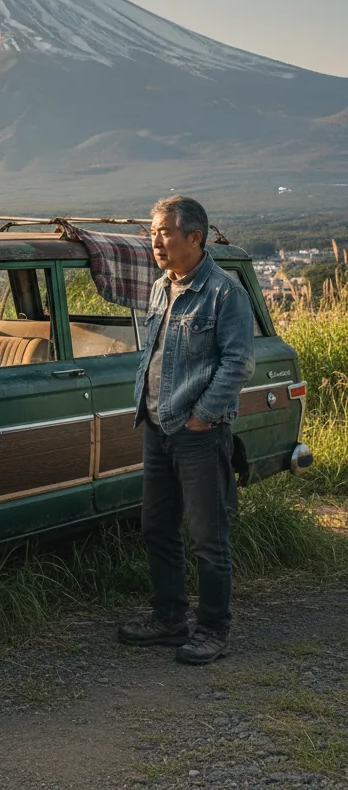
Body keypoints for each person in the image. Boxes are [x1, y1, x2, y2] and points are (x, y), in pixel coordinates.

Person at [119, 195, 255, 664]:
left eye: (164, 232)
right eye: (153, 231)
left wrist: (202, 416)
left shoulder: (224, 293)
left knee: (208, 537)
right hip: (157, 426)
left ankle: (214, 631)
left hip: (198, 433)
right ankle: (169, 618)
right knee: (157, 527)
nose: (154, 240)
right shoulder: (162, 286)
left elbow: (239, 362)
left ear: (194, 237)